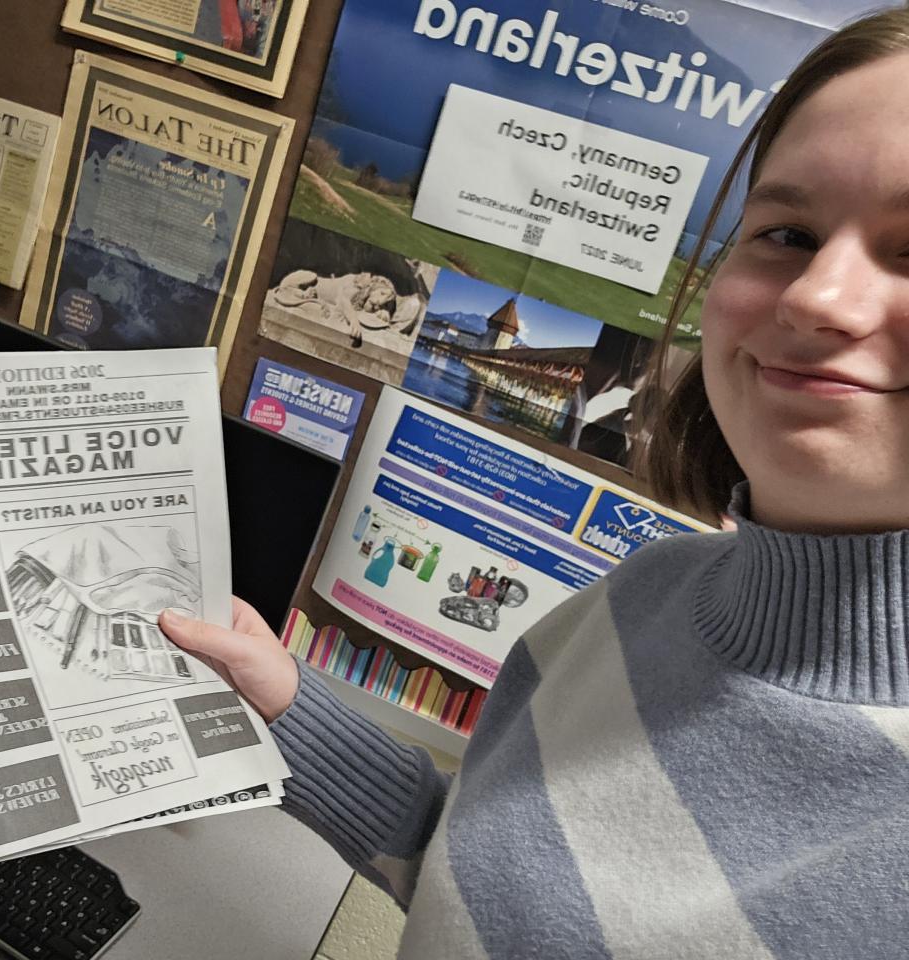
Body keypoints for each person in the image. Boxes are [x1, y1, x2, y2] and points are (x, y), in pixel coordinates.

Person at [159, 8, 909, 958]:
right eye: (789, 232)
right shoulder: (640, 595)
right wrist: (284, 704)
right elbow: (491, 885)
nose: (815, 297)